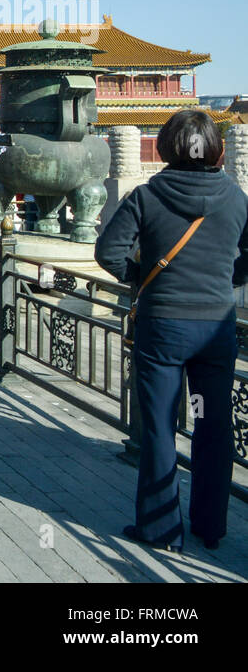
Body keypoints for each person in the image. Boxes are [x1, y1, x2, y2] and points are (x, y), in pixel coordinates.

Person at [96, 109, 248, 552]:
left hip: (163, 330)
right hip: (214, 331)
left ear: (165, 147)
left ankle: (161, 529)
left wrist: (143, 276)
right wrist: (228, 279)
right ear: (215, 148)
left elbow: (108, 252)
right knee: (210, 422)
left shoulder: (147, 196)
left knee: (161, 425)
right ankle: (211, 526)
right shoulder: (236, 198)